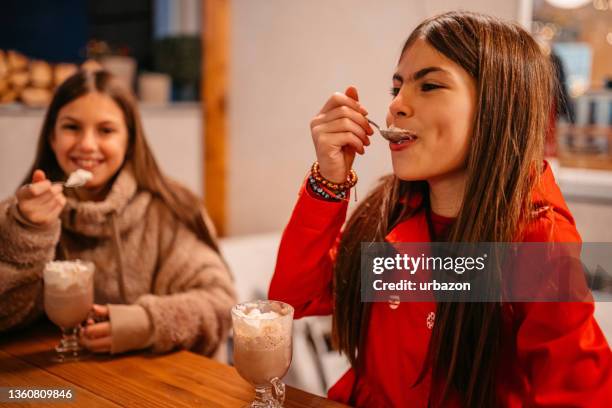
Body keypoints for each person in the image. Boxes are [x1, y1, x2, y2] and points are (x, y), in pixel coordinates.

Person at [269, 11, 611, 407]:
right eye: (396, 88)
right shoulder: (388, 212)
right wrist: (328, 182)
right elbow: (292, 300)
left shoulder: (536, 240)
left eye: (428, 85)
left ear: (496, 107)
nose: (396, 105)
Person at [0, 69, 236, 357]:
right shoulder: (23, 216)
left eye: (106, 130)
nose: (87, 144)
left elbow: (220, 303)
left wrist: (148, 323)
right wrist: (27, 232)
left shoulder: (167, 209)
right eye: (72, 127)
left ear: (129, 142)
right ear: (52, 137)